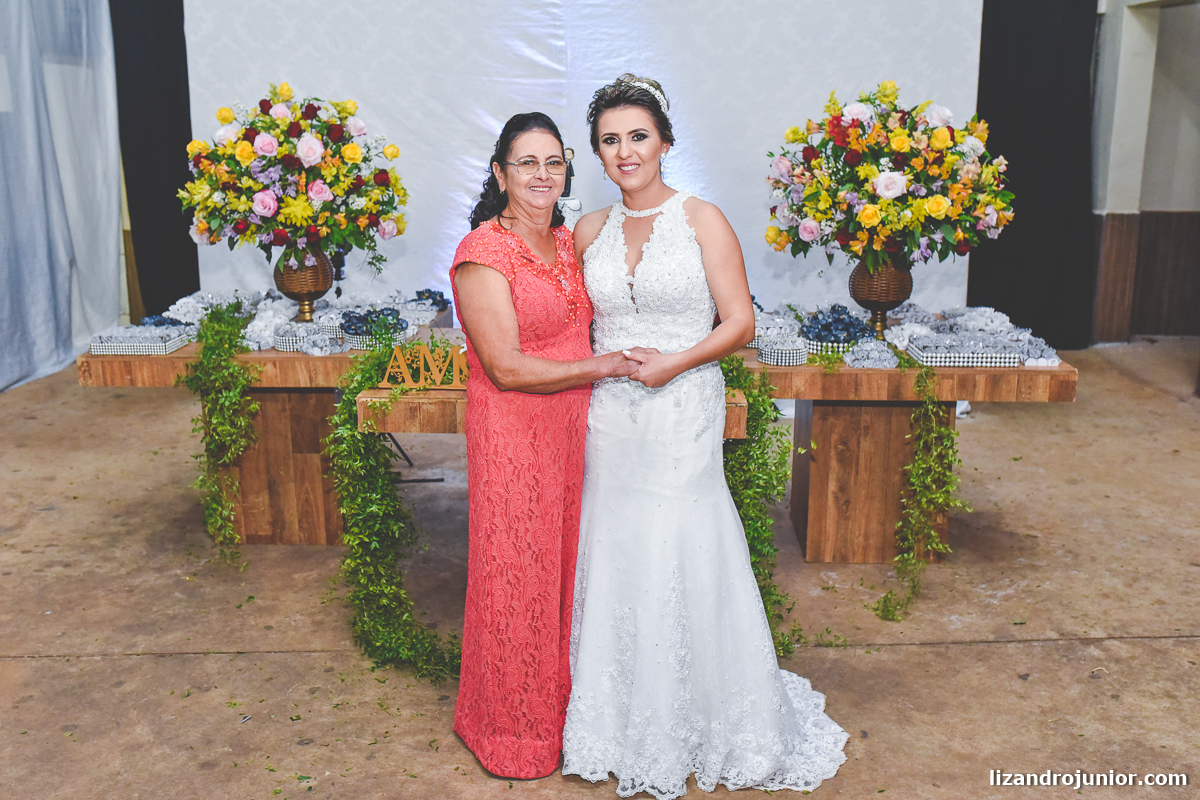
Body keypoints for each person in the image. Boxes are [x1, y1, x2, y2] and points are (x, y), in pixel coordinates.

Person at [561, 75, 849, 799]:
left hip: (682, 404)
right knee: (617, 542)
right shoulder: (587, 230)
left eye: (638, 136)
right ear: (596, 153)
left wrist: (676, 363)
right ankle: (619, 716)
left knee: (682, 540)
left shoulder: (702, 219)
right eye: (610, 140)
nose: (625, 152)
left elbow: (739, 321)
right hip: (609, 416)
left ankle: (707, 713)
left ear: (664, 142)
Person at [448, 111, 645, 780]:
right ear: (501, 173)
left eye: (553, 162)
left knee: (568, 570)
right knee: (519, 575)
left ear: (566, 172)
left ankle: (566, 719)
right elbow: (504, 366)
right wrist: (604, 366)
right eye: (526, 162)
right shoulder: (482, 251)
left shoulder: (567, 242)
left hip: (574, 430)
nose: (541, 174)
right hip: (515, 432)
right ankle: (509, 730)